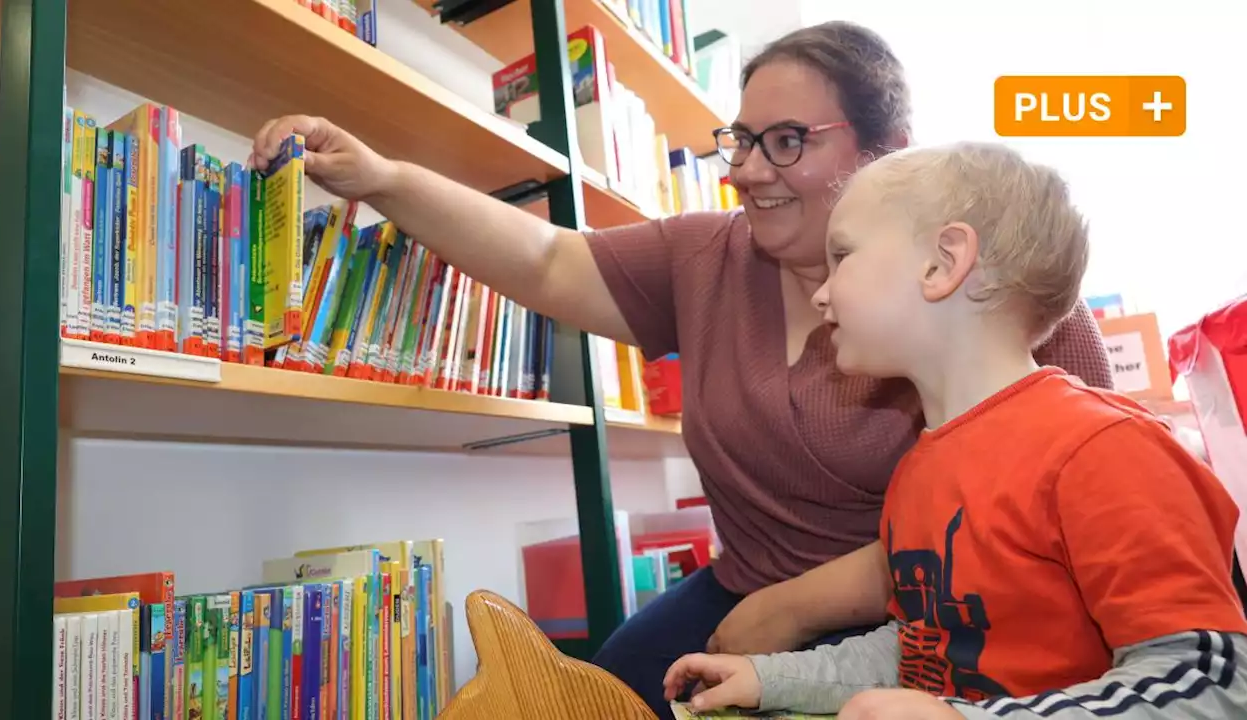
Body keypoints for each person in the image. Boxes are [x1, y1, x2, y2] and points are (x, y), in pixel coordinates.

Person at [249, 21, 1114, 716]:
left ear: (891, 150)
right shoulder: (711, 254)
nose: (746, 172)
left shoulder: (996, 292)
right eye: (741, 140)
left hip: (924, 620)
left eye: (786, 141)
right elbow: (550, 259)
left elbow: (1063, 513)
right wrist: (384, 178)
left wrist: (798, 608)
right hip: (739, 596)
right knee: (593, 696)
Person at [661, 141, 1247, 719]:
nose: (819, 292)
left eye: (841, 256)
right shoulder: (921, 470)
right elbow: (931, 652)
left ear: (942, 263)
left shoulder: (1104, 451)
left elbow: (1209, 681)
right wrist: (772, 678)